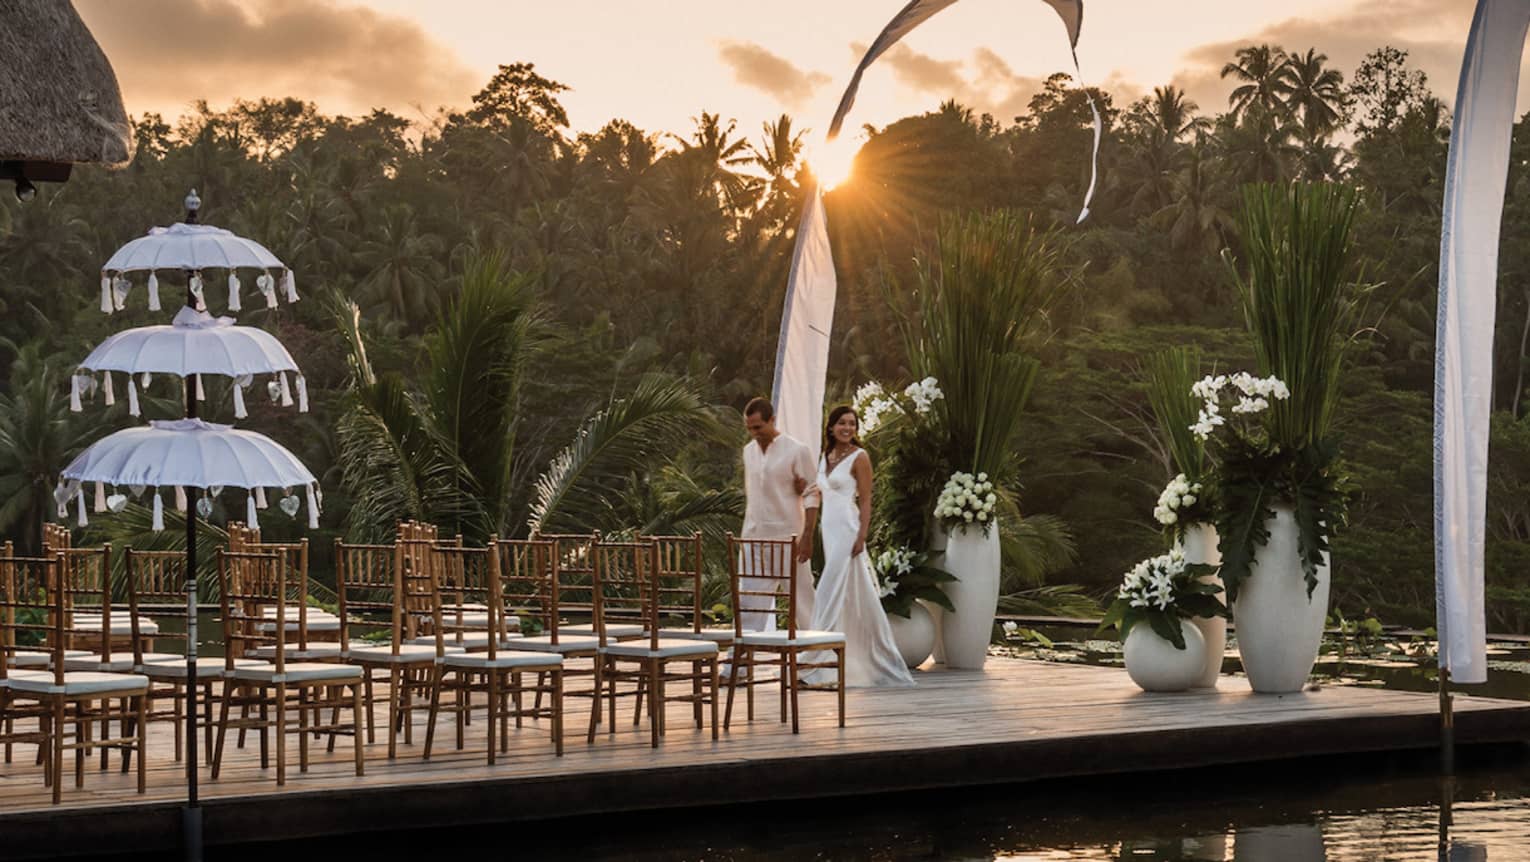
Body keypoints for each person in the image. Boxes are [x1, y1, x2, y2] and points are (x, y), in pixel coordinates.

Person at [807, 405, 914, 688]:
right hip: (828, 532)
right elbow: (820, 493)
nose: (847, 428)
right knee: (852, 593)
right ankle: (849, 659)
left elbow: (866, 499)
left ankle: (815, 660)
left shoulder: (860, 457)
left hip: (848, 530)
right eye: (842, 423)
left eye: (852, 424)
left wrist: (862, 535)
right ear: (831, 427)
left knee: (828, 590)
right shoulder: (825, 456)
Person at [739, 397, 817, 632]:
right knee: (749, 600)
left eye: (758, 427)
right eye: (749, 428)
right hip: (754, 537)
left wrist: (807, 537)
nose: (754, 433)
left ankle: (817, 656)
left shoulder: (796, 450)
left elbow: (813, 494)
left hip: (789, 538)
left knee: (802, 599)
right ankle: (741, 662)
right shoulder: (748, 452)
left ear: (772, 420)